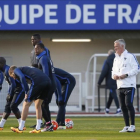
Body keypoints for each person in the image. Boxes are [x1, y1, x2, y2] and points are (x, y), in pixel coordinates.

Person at [30, 34, 76, 129]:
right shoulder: (42, 62)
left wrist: (59, 95)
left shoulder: (45, 61)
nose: (32, 41)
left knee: (61, 101)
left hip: (69, 81)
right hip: (57, 82)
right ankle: (47, 122)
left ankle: (61, 123)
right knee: (46, 102)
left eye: (34, 39)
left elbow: (56, 81)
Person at [9, 66, 51, 133]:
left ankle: (20, 128)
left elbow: (22, 77)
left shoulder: (16, 70)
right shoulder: (27, 69)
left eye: (12, 76)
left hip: (38, 81)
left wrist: (26, 91)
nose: (14, 78)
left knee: (26, 104)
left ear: (12, 72)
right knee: (38, 105)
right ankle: (38, 128)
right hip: (48, 81)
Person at [112, 39, 139, 132]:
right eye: (114, 46)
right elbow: (113, 71)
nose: (115, 48)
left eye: (117, 46)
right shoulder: (116, 58)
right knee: (123, 106)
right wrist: (114, 76)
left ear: (122, 46)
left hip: (129, 85)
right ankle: (126, 126)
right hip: (120, 85)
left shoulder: (130, 56)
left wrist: (126, 75)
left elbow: (137, 69)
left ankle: (133, 126)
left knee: (129, 104)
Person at [0, 57, 25, 130]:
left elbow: (13, 84)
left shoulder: (7, 70)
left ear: (1, 64)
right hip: (15, 90)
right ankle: (1, 125)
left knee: (13, 106)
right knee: (8, 106)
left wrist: (10, 94)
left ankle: (22, 125)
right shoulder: (4, 70)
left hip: (20, 89)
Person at [98, 50, 121, 114]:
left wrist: (99, 81)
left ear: (109, 54)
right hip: (117, 80)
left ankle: (118, 108)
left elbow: (104, 72)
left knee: (113, 94)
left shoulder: (107, 61)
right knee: (111, 95)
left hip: (110, 80)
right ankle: (107, 109)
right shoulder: (118, 61)